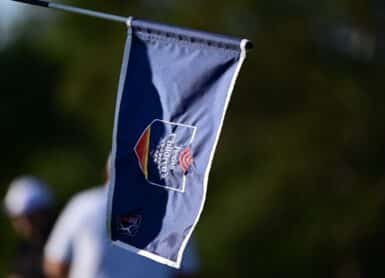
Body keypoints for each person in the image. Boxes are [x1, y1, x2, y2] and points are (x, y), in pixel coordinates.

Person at [44, 158, 200, 278]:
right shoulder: (171, 213)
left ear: (107, 173)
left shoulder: (83, 205)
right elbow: (185, 273)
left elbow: (55, 265)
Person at [3, 176, 55, 278]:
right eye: (18, 218)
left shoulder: (60, 242)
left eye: (31, 216)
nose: (26, 223)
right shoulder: (26, 249)